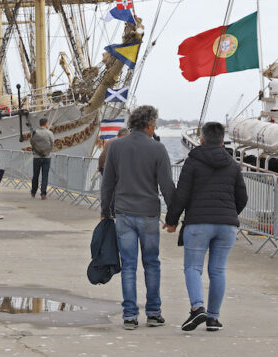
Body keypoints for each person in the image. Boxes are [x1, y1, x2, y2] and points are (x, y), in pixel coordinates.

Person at [163, 121, 248, 333]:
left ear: (201, 139)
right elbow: (242, 197)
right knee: (218, 270)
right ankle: (213, 318)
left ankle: (197, 307)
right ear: (222, 141)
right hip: (227, 226)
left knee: (193, 268)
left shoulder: (193, 161)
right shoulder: (232, 163)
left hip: (198, 224)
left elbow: (181, 194)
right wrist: (228, 214)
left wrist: (172, 220)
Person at [100, 105, 175, 330]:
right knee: (152, 263)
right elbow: (167, 185)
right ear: (150, 125)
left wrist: (105, 212)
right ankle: (153, 313)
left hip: (123, 214)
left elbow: (108, 183)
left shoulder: (116, 147)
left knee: (129, 265)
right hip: (149, 214)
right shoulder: (158, 149)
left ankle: (130, 316)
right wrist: (173, 216)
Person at [30, 117, 55, 200]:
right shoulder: (49, 133)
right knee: (45, 176)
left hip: (36, 157)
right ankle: (43, 193)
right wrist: (47, 151)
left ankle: (33, 192)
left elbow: (32, 144)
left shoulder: (35, 132)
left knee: (35, 175)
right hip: (47, 157)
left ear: (40, 124)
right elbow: (52, 144)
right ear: (46, 123)